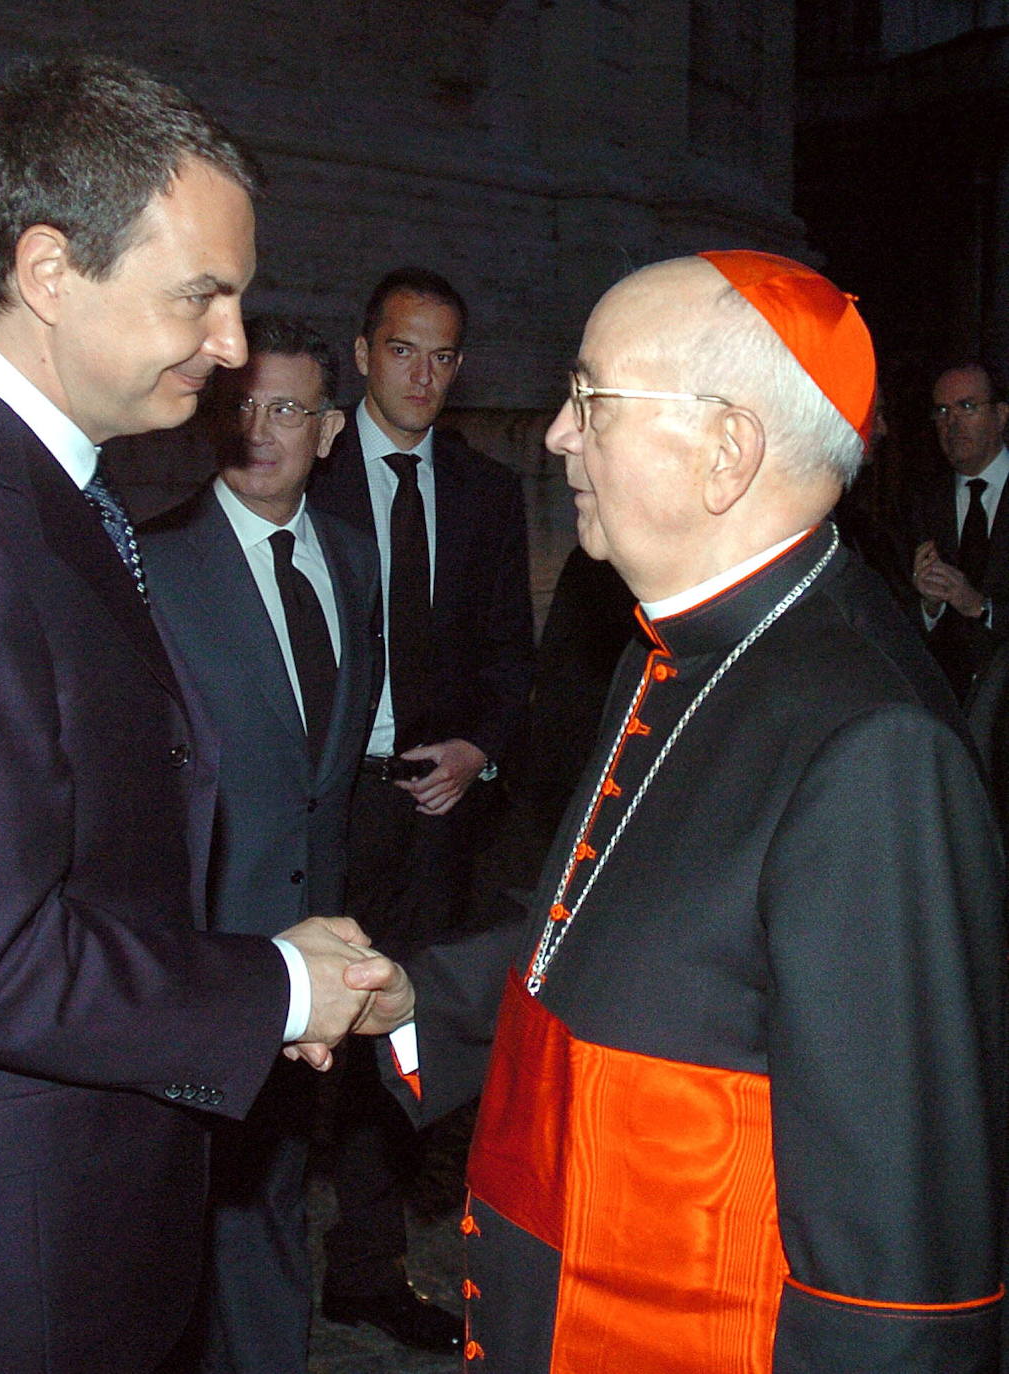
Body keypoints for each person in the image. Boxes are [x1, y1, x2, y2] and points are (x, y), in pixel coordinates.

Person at [0, 55, 398, 1374]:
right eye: (200, 297)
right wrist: (274, 981)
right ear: (49, 269)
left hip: (48, 1222)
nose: (229, 347)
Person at [356, 250, 1007, 1371]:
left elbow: (897, 1278)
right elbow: (610, 927)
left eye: (589, 397)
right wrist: (408, 994)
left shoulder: (873, 747)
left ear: (725, 452)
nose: (557, 434)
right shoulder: (675, 645)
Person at [139, 314, 380, 1374]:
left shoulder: (354, 562)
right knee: (189, 1209)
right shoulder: (154, 564)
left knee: (276, 1193)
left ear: (329, 430)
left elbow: (332, 770)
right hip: (204, 953)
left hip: (315, 947)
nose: (262, 429)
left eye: (288, 408)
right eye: (243, 405)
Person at [306, 267, 532, 1352]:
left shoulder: (487, 493)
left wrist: (478, 748)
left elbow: (508, 656)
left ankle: (364, 1265)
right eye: (404, 350)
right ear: (362, 353)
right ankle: (247, 1260)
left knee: (399, 1043)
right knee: (293, 1035)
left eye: (443, 356)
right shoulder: (298, 466)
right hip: (321, 808)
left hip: (433, 813)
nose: (424, 375)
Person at [912, 359, 1009, 698]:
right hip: (944, 702)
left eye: (966, 407)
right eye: (941, 410)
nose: (951, 423)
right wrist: (929, 606)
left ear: (1000, 416)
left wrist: (981, 608)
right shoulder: (919, 501)